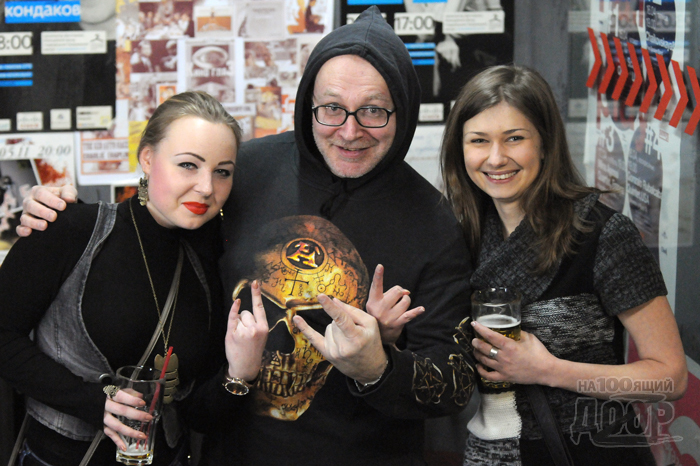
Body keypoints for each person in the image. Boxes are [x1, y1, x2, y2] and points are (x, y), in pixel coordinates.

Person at [18, 6, 476, 465]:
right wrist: (61, 213)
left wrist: (380, 366)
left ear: (403, 111)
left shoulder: (435, 223)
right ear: (308, 104)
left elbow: (456, 385)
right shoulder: (246, 171)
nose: (349, 130)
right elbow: (162, 233)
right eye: (332, 108)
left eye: (373, 110)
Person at [0, 91, 269, 466]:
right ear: (147, 158)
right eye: (188, 165)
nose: (207, 187)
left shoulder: (212, 259)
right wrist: (93, 402)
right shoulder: (72, 228)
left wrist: (241, 374)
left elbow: (197, 415)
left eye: (222, 171)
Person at [440, 65, 687, 465]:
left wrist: (548, 370)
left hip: (592, 454)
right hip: (491, 454)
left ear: (545, 144)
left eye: (514, 138)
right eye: (479, 140)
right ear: (460, 149)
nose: (496, 158)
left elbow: (670, 377)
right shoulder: (458, 236)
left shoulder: (600, 233)